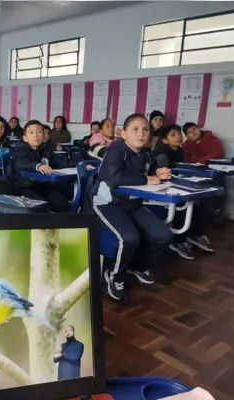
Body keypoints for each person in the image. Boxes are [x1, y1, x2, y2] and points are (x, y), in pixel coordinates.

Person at [86, 113, 173, 302]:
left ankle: (137, 266)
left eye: (145, 130)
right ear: (123, 134)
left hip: (132, 204)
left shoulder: (146, 154)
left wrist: (160, 171)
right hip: (107, 203)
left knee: (163, 235)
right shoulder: (115, 151)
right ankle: (114, 276)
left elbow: (155, 169)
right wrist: (146, 179)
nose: (141, 134)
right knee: (129, 238)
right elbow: (114, 178)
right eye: (135, 129)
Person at [152, 124, 215, 259]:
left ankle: (194, 234)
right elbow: (164, 177)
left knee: (201, 201)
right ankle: (178, 241)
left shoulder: (179, 151)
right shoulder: (162, 154)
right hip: (161, 191)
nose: (179, 137)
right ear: (165, 140)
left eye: (179, 133)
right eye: (173, 135)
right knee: (183, 205)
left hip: (175, 187)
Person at [9, 120, 75, 213]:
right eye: (31, 132)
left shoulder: (46, 149)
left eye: (39, 132)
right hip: (25, 187)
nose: (36, 135)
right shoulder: (19, 149)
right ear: (25, 138)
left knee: (64, 205)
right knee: (41, 207)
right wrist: (37, 166)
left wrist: (80, 164)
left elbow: (60, 161)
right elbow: (22, 163)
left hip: (43, 186)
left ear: (43, 136)